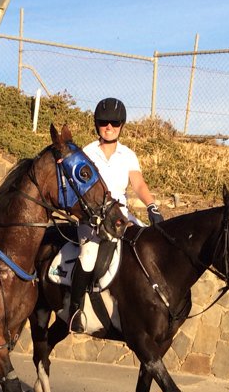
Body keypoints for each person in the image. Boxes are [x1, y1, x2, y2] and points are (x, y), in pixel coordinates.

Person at [69, 97, 163, 332]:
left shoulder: (128, 154)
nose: (109, 127)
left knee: (146, 245)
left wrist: (152, 206)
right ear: (96, 124)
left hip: (121, 215)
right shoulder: (87, 153)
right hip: (94, 218)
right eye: (103, 122)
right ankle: (76, 310)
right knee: (88, 257)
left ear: (121, 125)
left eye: (114, 123)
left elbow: (138, 184)